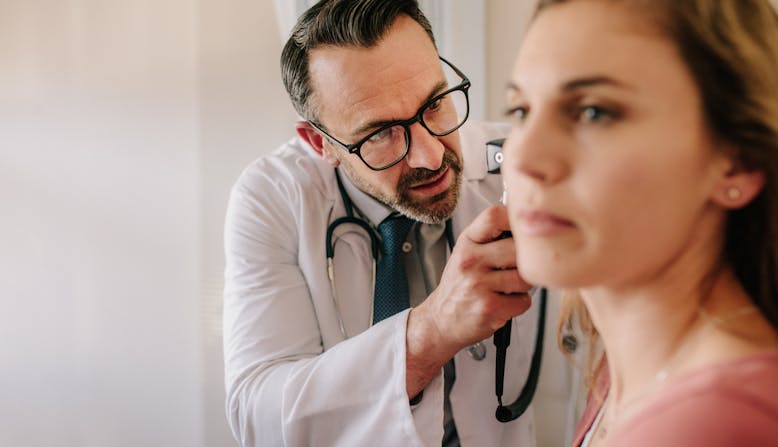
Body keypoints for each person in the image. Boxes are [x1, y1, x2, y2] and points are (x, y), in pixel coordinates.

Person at [222, 1, 550, 445]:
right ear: (320, 142)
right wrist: (431, 332)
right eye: (380, 134)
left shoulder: (518, 164)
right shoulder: (273, 198)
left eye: (435, 104)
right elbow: (256, 415)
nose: (430, 156)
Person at [501, 0, 778, 446]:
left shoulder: (714, 424)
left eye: (593, 112)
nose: (524, 157)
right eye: (520, 111)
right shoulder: (622, 377)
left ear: (737, 163)